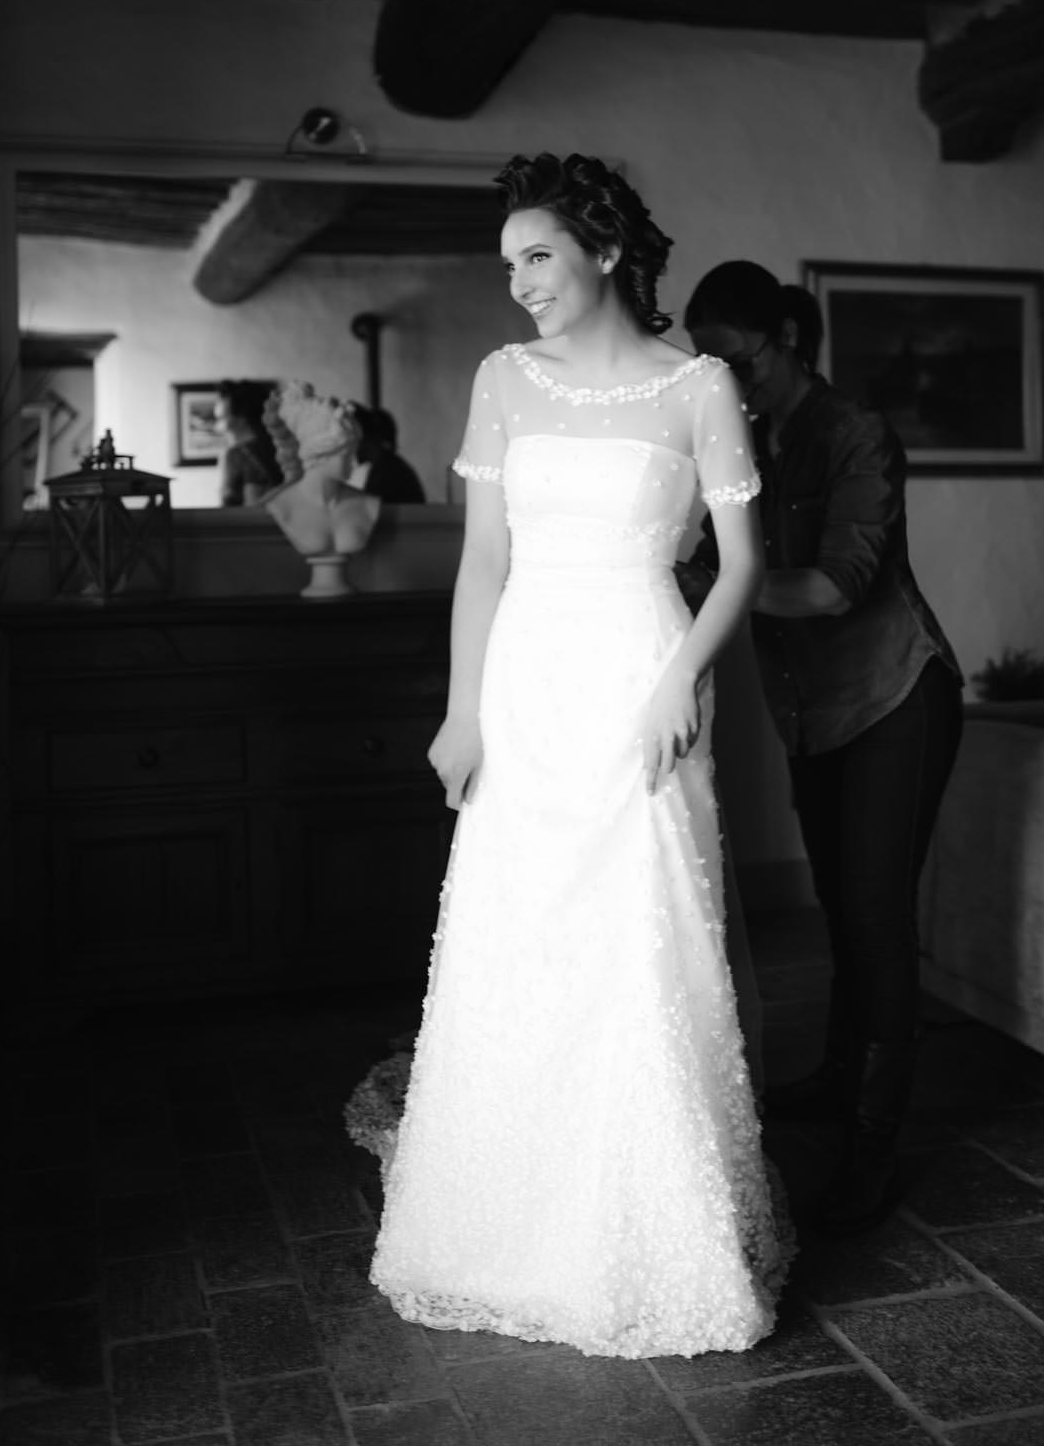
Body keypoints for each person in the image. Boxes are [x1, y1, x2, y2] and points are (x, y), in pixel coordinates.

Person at [347, 154, 792, 1359]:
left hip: (643, 673)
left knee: (638, 937)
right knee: (520, 935)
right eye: (508, 265)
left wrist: (680, 676)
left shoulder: (699, 385)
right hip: (528, 682)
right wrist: (463, 711)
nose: (520, 283)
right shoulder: (504, 378)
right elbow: (484, 561)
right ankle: (499, 1232)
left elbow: (743, 564)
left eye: (537, 255)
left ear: (605, 250)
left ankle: (649, 1236)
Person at [681, 261, 964, 1236]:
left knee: (876, 915)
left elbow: (836, 587)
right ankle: (843, 1079)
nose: (728, 381)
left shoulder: (856, 434)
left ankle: (873, 1150)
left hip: (897, 699)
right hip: (809, 711)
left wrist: (724, 581)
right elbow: (704, 560)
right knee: (840, 904)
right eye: (710, 367)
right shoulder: (742, 443)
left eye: (739, 360)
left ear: (788, 341)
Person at [261, 380, 381, 558]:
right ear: (319, 453)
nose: (355, 464)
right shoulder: (281, 507)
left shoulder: (368, 505)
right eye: (346, 456)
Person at [213, 379, 285, 506]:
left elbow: (241, 509)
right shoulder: (283, 446)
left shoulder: (237, 455)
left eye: (221, 418)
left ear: (242, 417)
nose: (217, 427)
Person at [349, 405, 426, 504]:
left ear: (369, 438)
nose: (351, 445)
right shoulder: (391, 466)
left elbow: (365, 510)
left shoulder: (386, 471)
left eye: (355, 437)